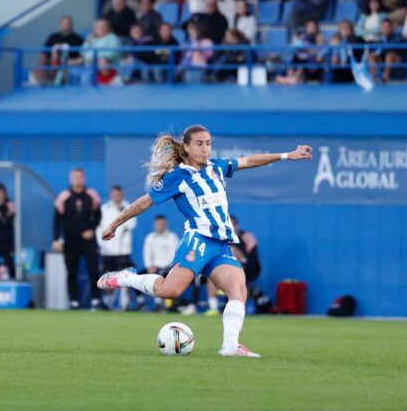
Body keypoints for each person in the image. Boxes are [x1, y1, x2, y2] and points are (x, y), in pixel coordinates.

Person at [97, 125, 313, 357]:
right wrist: (114, 224)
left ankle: (230, 346)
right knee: (170, 291)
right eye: (200, 144)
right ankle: (127, 277)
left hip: (220, 245)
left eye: (208, 143)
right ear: (187, 147)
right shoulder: (177, 177)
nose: (205, 148)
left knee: (238, 289)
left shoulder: (216, 167)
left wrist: (286, 155)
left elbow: (249, 161)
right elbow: (145, 202)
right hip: (198, 240)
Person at [53, 168, 104, 310]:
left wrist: (92, 230)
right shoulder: (64, 196)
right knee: (71, 271)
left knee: (93, 269)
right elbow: (57, 220)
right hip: (70, 240)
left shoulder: (91, 195)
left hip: (88, 240)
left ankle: (95, 299)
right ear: (70, 179)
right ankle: (74, 301)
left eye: (80, 177)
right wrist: (56, 239)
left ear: (84, 178)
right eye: (74, 177)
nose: (77, 180)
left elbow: (98, 216)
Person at [97, 186, 137, 310]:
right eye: (114, 194)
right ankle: (107, 303)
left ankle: (125, 304)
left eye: (118, 194)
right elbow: (99, 228)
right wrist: (102, 244)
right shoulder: (104, 209)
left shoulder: (128, 207)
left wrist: (121, 211)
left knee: (125, 277)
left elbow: (132, 225)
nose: (117, 197)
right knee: (108, 276)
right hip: (108, 251)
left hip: (123, 251)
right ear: (111, 195)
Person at [142, 215, 180, 310]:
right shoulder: (150, 238)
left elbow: (174, 256)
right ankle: (141, 302)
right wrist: (149, 266)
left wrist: (159, 266)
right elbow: (147, 254)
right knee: (138, 275)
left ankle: (158, 303)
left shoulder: (172, 237)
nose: (160, 226)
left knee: (160, 274)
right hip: (152, 268)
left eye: (162, 224)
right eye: (158, 224)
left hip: (167, 268)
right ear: (155, 225)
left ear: (166, 224)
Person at [34, 15, 84, 86]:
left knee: (72, 73)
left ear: (71, 25)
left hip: (69, 65)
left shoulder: (78, 39)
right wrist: (41, 64)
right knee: (37, 70)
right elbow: (44, 53)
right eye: (63, 23)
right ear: (60, 24)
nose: (65, 25)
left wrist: (72, 62)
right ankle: (47, 90)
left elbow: (82, 56)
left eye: (67, 23)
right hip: (53, 64)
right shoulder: (53, 37)